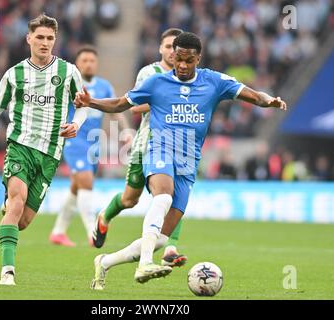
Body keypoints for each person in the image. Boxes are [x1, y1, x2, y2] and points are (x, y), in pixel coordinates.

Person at [74, 32, 287, 288]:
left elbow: (252, 94)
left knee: (162, 240)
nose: (183, 65)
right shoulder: (156, 83)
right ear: (172, 55)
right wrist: (92, 102)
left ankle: (105, 262)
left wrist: (269, 101)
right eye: (179, 59)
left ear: (199, 58)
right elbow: (121, 103)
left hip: (188, 160)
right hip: (159, 148)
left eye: (190, 60)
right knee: (162, 196)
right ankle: (144, 264)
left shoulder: (214, 81)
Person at [0, 14, 87, 286]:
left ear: (55, 40)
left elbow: (84, 105)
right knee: (18, 200)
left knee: (23, 220)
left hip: (50, 153)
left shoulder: (68, 71)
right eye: (39, 37)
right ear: (29, 38)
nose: (44, 42)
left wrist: (76, 123)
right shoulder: (14, 74)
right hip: (20, 145)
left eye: (50, 38)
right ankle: (7, 272)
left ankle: (7, 209)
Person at [92, 28, 188, 268]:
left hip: (177, 144)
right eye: (167, 46)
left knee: (171, 194)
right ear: (160, 49)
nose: (171, 51)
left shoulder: (189, 76)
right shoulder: (150, 72)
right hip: (148, 143)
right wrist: (169, 102)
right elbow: (134, 107)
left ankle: (170, 247)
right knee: (129, 199)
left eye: (175, 47)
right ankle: (104, 216)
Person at [49, 46, 132, 247]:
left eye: (92, 60)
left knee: (77, 187)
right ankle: (92, 233)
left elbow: (116, 109)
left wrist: (126, 130)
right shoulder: (69, 84)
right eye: (84, 60)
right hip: (73, 140)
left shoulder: (104, 86)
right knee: (86, 182)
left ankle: (58, 232)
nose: (88, 64)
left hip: (94, 142)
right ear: (77, 64)